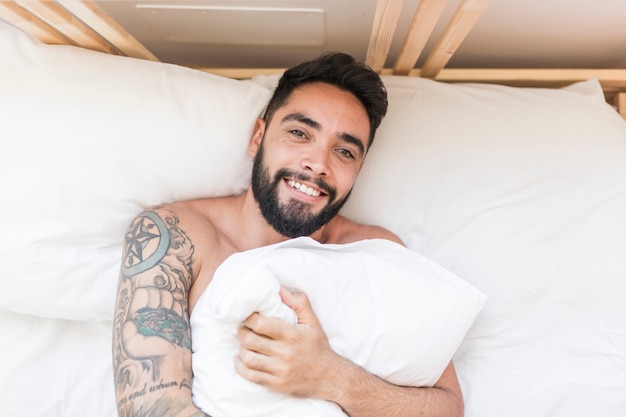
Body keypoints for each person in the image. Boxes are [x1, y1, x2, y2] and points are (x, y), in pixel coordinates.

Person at [112, 52, 464, 417]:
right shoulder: (174, 235)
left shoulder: (376, 253)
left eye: (344, 151)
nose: (318, 164)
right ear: (258, 138)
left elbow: (448, 406)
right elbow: (152, 409)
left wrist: (332, 378)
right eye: (299, 133)